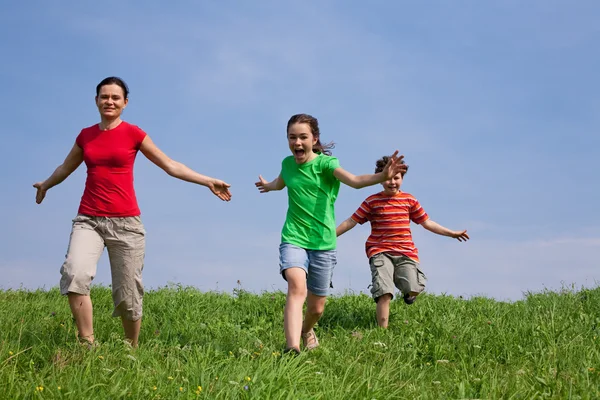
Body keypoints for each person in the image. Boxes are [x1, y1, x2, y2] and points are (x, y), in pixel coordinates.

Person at [33, 77, 232, 348]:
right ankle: (87, 343)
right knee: (75, 274)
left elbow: (170, 165)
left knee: (128, 295)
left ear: (125, 103)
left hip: (126, 223)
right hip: (88, 220)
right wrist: (46, 183)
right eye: (104, 96)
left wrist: (206, 180)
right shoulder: (86, 136)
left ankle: (131, 349)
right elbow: (65, 167)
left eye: (116, 97)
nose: (109, 101)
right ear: (96, 101)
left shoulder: (133, 134)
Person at [255, 114, 406, 353]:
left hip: (323, 243)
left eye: (303, 137)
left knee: (317, 308)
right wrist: (269, 186)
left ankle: (306, 330)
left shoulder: (327, 165)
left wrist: (381, 177)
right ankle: (291, 348)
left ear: (314, 139)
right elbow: (280, 182)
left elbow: (355, 181)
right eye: (292, 137)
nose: (297, 142)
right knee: (297, 287)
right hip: (293, 238)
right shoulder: (287, 164)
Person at [336, 156, 469, 328]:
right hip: (380, 250)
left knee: (413, 286)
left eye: (396, 178)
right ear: (380, 178)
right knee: (384, 292)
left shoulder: (409, 200)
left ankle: (409, 293)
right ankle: (382, 332)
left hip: (405, 252)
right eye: (388, 178)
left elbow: (427, 223)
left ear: (402, 178)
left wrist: (451, 233)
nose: (392, 182)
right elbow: (351, 221)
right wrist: (331, 235)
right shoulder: (372, 202)